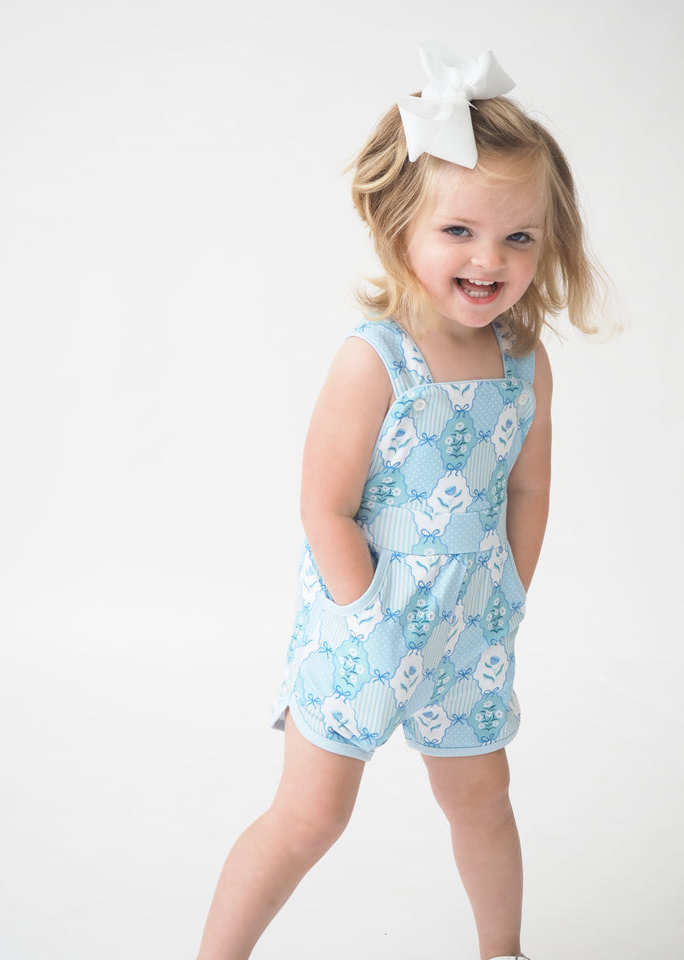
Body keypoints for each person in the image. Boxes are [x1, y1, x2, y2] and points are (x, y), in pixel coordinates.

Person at [196, 45, 602, 960]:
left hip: (468, 625)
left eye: (519, 237)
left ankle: (504, 950)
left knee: (483, 801)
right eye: (459, 232)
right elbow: (324, 507)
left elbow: (528, 486)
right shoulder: (375, 358)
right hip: (362, 617)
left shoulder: (523, 365)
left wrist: (510, 595)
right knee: (310, 817)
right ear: (401, 228)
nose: (490, 259)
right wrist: (368, 618)